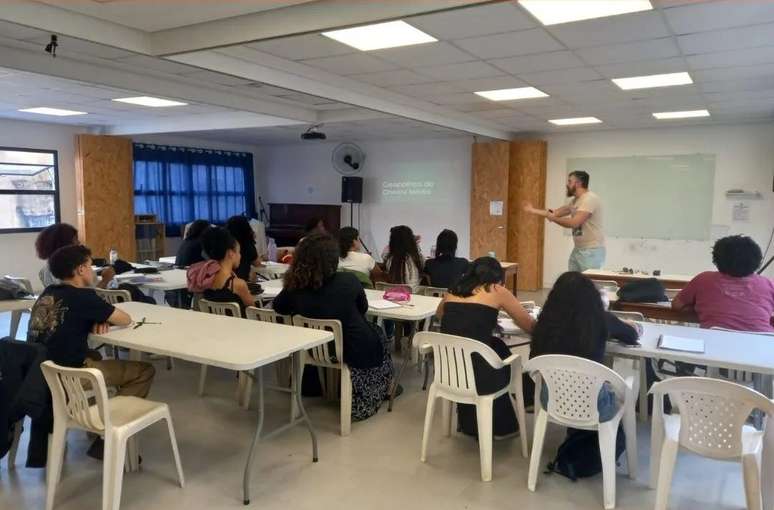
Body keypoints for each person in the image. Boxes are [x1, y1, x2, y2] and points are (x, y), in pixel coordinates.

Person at [27, 244, 155, 458]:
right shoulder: (84, 298)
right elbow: (125, 319)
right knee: (144, 371)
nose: (93, 269)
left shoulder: (48, 293)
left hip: (38, 373)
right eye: (90, 265)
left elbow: (67, 320)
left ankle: (96, 424)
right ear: (80, 270)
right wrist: (100, 315)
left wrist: (96, 319)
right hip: (70, 377)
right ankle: (107, 438)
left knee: (95, 355)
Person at [273, 233, 393, 422]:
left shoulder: (295, 285)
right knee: (377, 333)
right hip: (349, 347)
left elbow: (279, 307)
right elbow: (363, 309)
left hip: (311, 349)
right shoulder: (349, 281)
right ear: (332, 258)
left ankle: (318, 384)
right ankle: (383, 385)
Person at [436, 257, 535, 439]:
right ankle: (523, 401)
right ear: (497, 277)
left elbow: (440, 315)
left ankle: (526, 397)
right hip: (480, 376)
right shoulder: (496, 290)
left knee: (496, 345)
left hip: (451, 371)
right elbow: (528, 325)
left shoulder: (453, 290)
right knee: (499, 354)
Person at [673, 235, 774, 332]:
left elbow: (677, 304)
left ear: (716, 259)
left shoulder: (703, 279)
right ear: (757, 260)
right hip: (763, 342)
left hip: (715, 339)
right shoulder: (769, 284)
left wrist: (703, 310)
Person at [523, 170, 605, 272]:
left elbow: (574, 222)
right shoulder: (575, 201)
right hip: (578, 249)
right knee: (573, 284)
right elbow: (555, 212)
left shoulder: (589, 199)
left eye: (570, 181)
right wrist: (532, 210)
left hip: (591, 252)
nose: (567, 184)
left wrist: (553, 219)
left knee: (590, 286)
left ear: (578, 183)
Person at [35, 223, 115, 288]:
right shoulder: (68, 270)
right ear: (65, 244)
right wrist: (106, 279)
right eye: (75, 239)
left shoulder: (45, 270)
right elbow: (88, 297)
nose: (79, 243)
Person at [198, 226, 257, 314]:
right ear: (230, 253)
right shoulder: (238, 285)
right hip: (240, 326)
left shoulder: (204, 279)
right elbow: (254, 312)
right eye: (238, 252)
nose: (240, 256)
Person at [383, 225, 424, 291]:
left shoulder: (389, 259)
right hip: (414, 296)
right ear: (410, 240)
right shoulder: (417, 258)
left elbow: (385, 253)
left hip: (395, 295)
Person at [225, 215, 259, 282]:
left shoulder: (224, 244)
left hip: (226, 281)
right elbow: (256, 263)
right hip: (243, 281)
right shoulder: (248, 244)